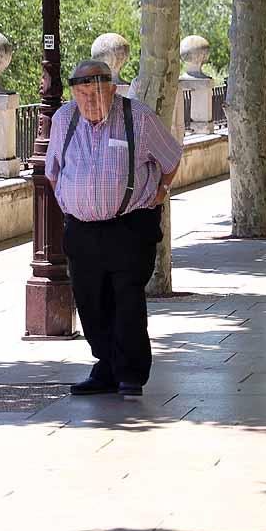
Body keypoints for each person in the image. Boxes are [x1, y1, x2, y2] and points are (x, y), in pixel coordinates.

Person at [47, 60, 182, 397]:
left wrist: (159, 195)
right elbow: (53, 170)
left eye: (96, 93)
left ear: (112, 89)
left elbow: (171, 158)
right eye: (82, 94)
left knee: (126, 300)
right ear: (74, 93)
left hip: (130, 226)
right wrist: (68, 200)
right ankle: (105, 367)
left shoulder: (138, 117)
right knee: (91, 302)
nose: (90, 101)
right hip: (82, 229)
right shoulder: (64, 119)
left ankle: (131, 374)